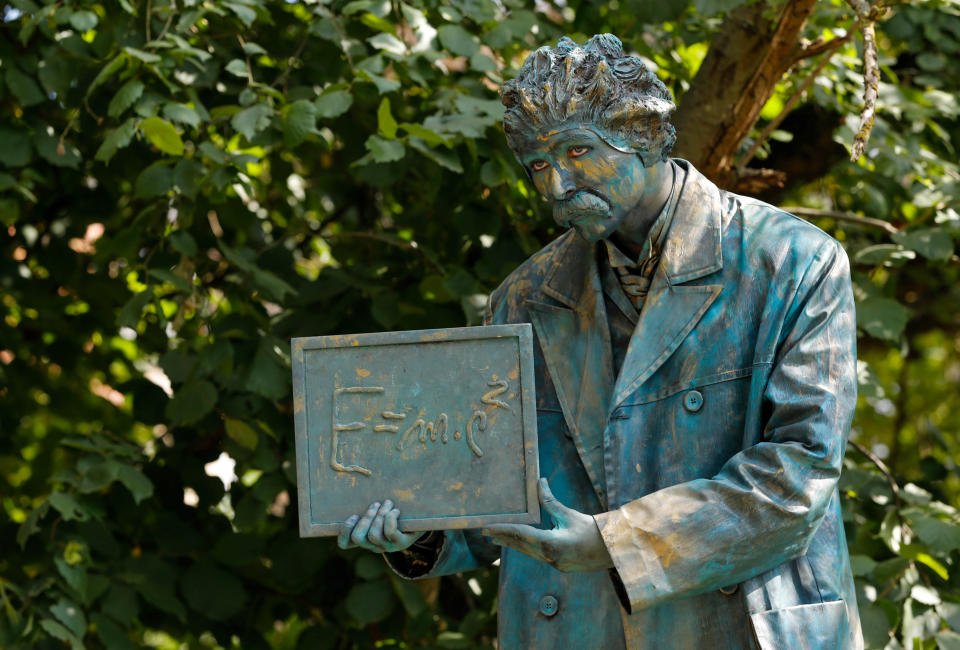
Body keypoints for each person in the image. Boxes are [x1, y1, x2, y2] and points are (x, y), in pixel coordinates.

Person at [338, 34, 862, 649]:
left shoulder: (793, 263)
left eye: (577, 150)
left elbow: (798, 475)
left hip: (732, 626)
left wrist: (618, 544)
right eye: (537, 164)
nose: (557, 185)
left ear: (640, 133)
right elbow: (497, 491)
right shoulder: (524, 298)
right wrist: (421, 531)